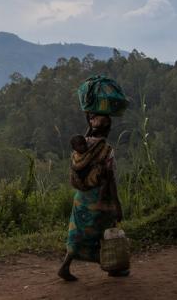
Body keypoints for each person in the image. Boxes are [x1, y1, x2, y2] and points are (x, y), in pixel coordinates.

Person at [58, 113, 127, 281]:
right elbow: (110, 178)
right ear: (107, 129)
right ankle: (112, 265)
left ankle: (65, 266)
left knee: (79, 233)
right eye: (109, 126)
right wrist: (117, 204)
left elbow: (87, 132)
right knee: (104, 232)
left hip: (81, 197)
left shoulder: (84, 144)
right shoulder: (105, 150)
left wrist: (89, 116)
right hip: (99, 200)